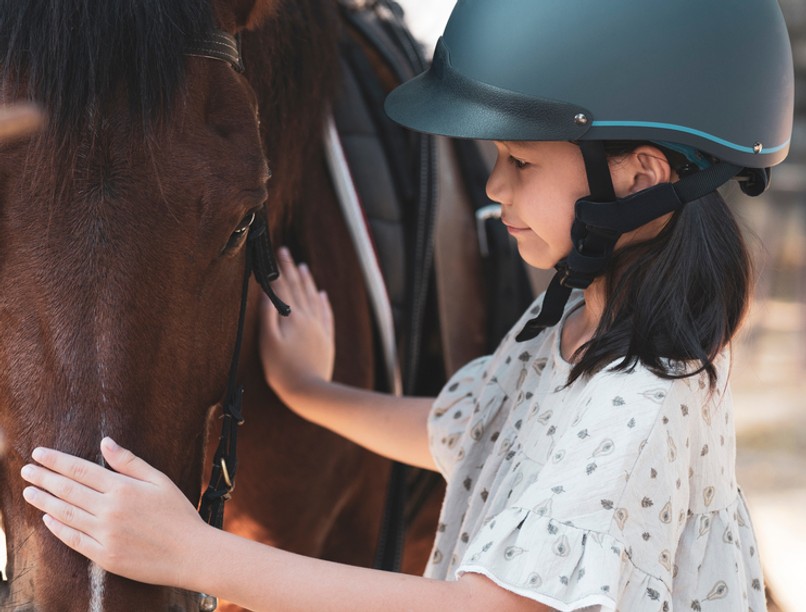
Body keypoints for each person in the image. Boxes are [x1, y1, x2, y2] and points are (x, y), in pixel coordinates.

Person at [20, 0, 793, 610]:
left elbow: (490, 609)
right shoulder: (568, 326)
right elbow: (468, 432)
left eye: (519, 160)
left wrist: (194, 555)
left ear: (639, 176)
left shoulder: (644, 396)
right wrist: (312, 394)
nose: (495, 187)